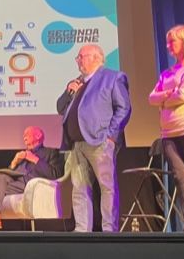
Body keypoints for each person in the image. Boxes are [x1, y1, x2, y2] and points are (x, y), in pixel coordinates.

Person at [56, 44, 131, 232]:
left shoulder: (113, 77)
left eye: (81, 56)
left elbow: (124, 108)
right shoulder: (77, 82)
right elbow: (60, 107)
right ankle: (82, 230)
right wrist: (68, 91)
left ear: (96, 57)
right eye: (77, 57)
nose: (78, 61)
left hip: (100, 142)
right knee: (79, 188)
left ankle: (109, 230)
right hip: (76, 144)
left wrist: (111, 136)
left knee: (107, 187)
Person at [148, 24, 184, 232]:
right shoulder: (168, 73)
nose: (168, 46)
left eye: (172, 41)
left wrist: (164, 98)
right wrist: (168, 95)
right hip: (168, 132)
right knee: (179, 176)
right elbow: (151, 97)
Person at [0, 126, 62, 231]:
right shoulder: (22, 154)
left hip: (33, 185)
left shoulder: (50, 152)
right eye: (24, 134)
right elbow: (11, 173)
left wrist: (35, 159)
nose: (24, 136)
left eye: (27, 134)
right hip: (16, 182)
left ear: (38, 136)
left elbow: (55, 174)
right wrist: (14, 162)